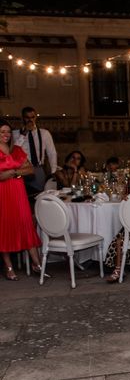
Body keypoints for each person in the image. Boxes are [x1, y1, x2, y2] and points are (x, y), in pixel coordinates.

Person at [0, 120, 44, 280]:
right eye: (2, 132)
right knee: (4, 228)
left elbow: (30, 169)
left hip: (18, 193)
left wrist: (12, 173)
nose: (6, 135)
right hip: (2, 194)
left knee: (26, 224)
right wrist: (12, 172)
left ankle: (37, 264)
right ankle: (8, 267)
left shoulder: (16, 149)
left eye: (8, 132)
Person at [12, 106, 58, 194]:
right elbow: (14, 152)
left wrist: (53, 172)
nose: (30, 120)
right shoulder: (15, 134)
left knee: (39, 195)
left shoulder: (44, 133)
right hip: (21, 170)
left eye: (32, 117)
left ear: (36, 117)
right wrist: (23, 135)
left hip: (38, 169)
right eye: (27, 117)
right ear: (22, 118)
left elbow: (52, 153)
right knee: (21, 195)